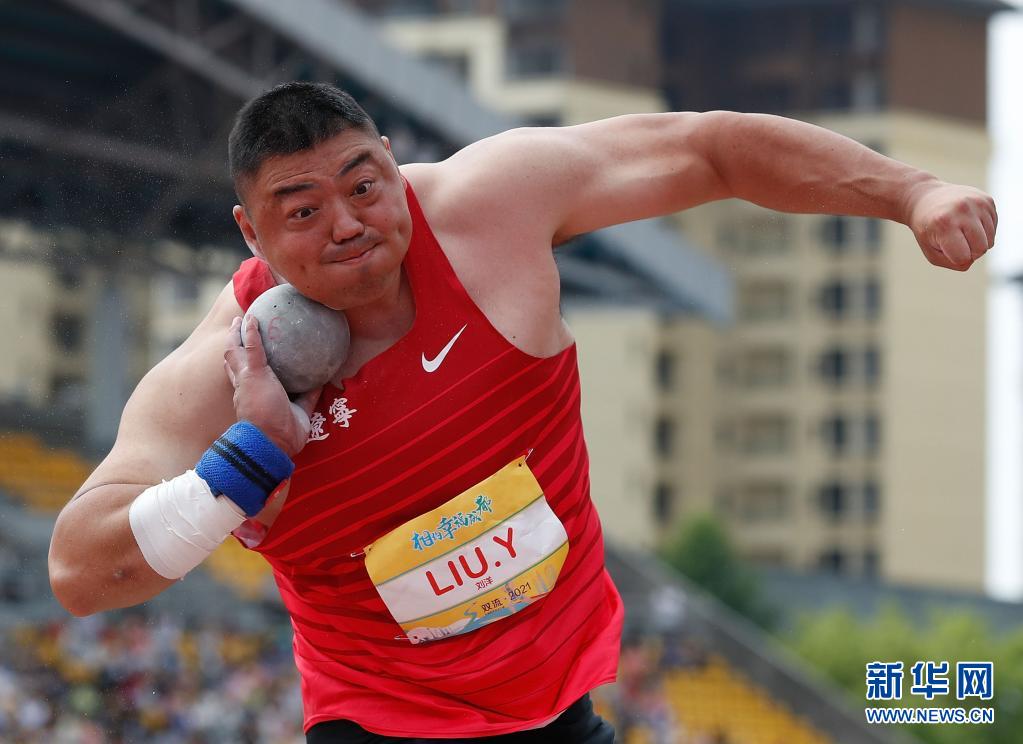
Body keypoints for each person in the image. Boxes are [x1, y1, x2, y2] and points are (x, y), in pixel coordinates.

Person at [48, 82, 997, 743]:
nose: (345, 222)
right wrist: (249, 459)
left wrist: (913, 190)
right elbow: (82, 572)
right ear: (251, 232)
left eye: (362, 184)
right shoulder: (226, 370)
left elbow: (713, 149)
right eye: (300, 210)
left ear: (391, 161)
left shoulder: (491, 208)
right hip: (381, 727)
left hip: (559, 711)